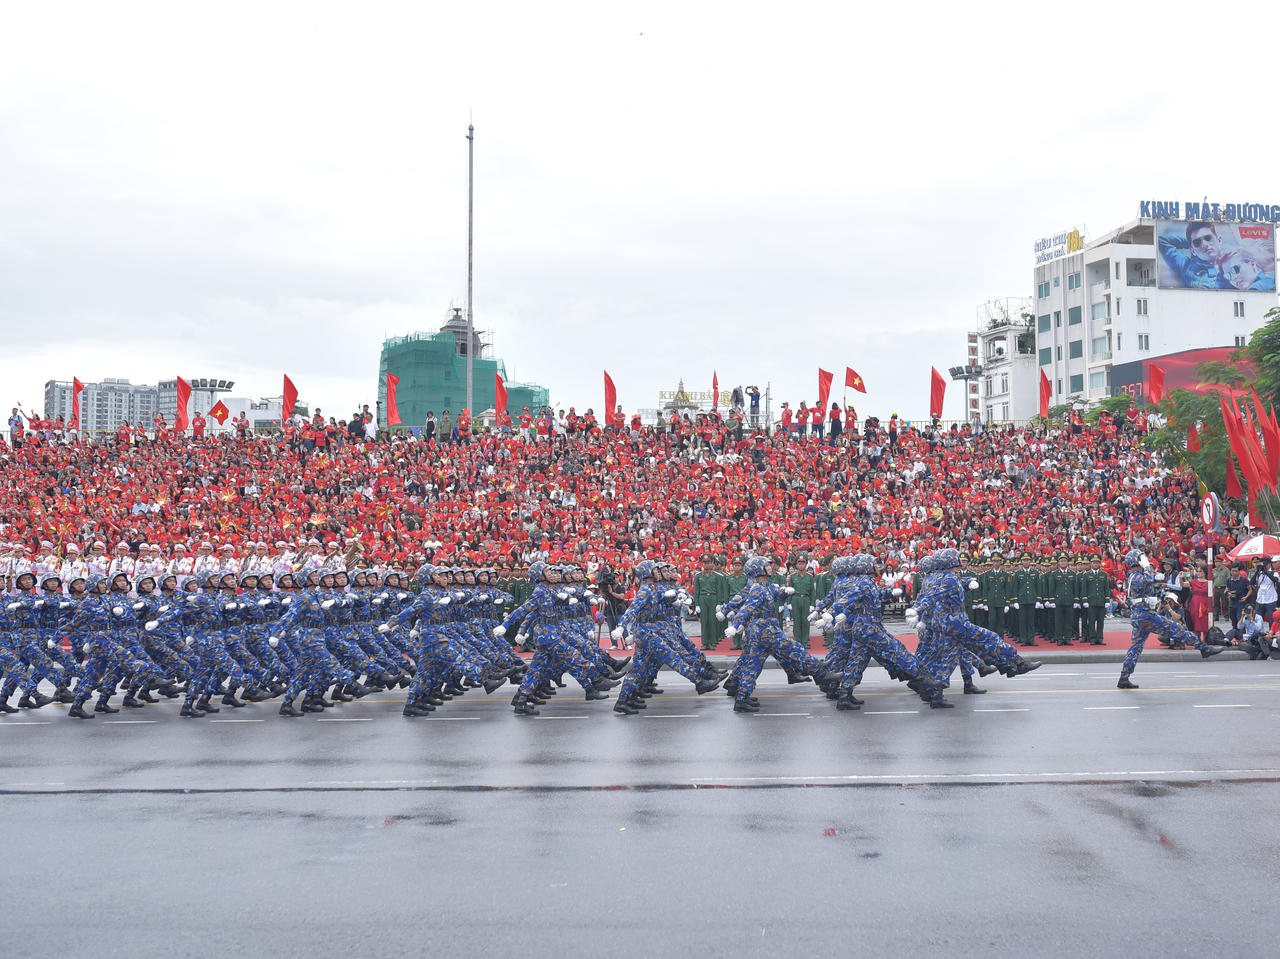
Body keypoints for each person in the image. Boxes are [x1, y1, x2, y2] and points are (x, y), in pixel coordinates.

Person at [1158, 221, 1227, 290]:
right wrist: (1191, 244)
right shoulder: (1186, 267)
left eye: (1208, 238)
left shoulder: (1231, 265)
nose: (1204, 244)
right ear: (1192, 251)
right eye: (1197, 242)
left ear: (1219, 240)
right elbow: (1161, 240)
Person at [1252, 558, 1278, 625]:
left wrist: (1265, 571)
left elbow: (1275, 580)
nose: (1263, 565)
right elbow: (1251, 582)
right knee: (1257, 620)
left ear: (1269, 564)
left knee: (1271, 620)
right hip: (1260, 600)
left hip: (1271, 600)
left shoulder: (1274, 573)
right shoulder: (1259, 574)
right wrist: (1257, 571)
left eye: (1264, 564)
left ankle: (1271, 631)